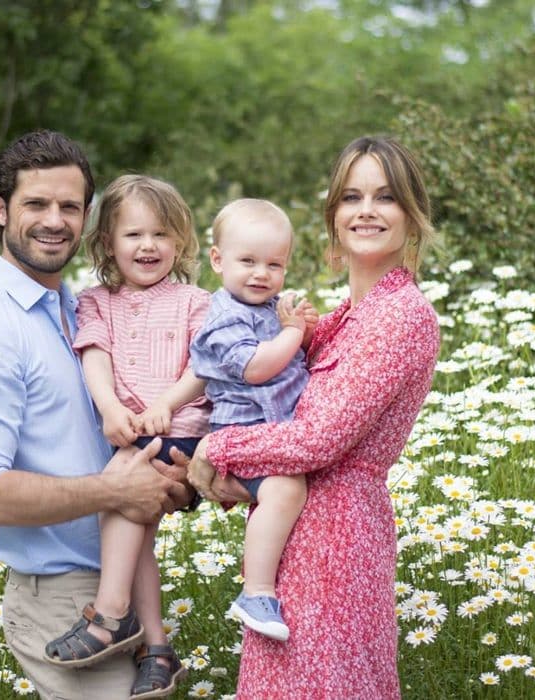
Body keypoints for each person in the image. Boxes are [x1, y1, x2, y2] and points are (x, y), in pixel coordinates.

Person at [0, 131, 191, 700]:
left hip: (124, 579)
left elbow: (121, 451)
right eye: (36, 204)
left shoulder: (86, 309)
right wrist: (114, 491)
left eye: (70, 207)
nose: (54, 220)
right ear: (1, 210)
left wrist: (167, 483)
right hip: (59, 597)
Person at [187, 136, 440, 698]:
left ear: (412, 214)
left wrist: (217, 449)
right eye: (351, 196)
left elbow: (319, 440)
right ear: (333, 216)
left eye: (386, 197)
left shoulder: (402, 316)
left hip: (337, 544)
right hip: (299, 534)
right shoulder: (345, 317)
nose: (367, 210)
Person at [43, 174, 210, 699]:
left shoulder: (195, 301)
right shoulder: (97, 301)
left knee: (118, 492)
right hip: (129, 433)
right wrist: (110, 407)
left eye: (161, 234)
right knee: (135, 532)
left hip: (179, 432)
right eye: (133, 235)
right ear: (108, 244)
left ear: (179, 241)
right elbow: (95, 355)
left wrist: (165, 404)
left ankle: (111, 616)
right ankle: (156, 650)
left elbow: (206, 365)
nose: (148, 246)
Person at [189, 198, 317, 642]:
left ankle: (266, 587)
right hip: (242, 432)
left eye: (274, 264)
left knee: (289, 492)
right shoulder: (223, 317)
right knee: (284, 490)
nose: (261, 274)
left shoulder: (272, 306)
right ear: (218, 260)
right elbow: (257, 367)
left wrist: (306, 327)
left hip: (274, 428)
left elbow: (295, 352)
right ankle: (257, 592)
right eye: (248, 261)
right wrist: (293, 334)